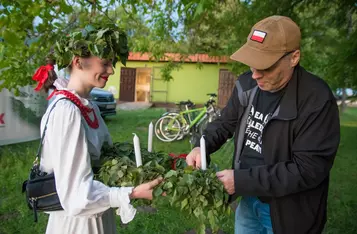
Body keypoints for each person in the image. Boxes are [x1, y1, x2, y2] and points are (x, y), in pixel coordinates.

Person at [186, 15, 340, 234]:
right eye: (252, 65)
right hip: (248, 200)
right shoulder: (247, 84)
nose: (255, 74)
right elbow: (224, 123)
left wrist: (241, 181)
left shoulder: (316, 99)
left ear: (294, 57)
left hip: (290, 211)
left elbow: (308, 169)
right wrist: (202, 145)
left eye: (265, 67)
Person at [32, 25, 162, 234]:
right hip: (76, 224)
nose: (111, 70)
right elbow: (76, 195)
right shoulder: (66, 111)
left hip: (97, 215)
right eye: (105, 63)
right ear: (77, 62)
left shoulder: (88, 105)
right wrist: (131, 193)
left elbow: (104, 159)